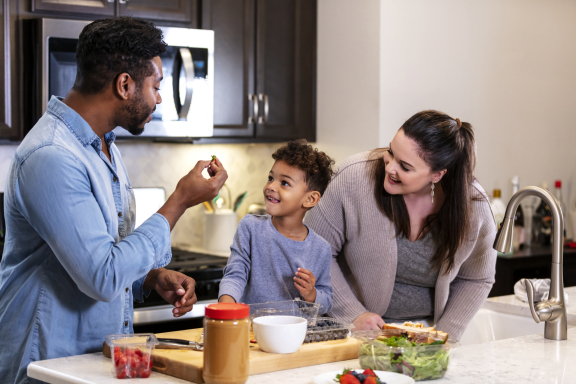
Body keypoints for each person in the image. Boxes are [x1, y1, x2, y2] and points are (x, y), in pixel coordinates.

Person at [0, 17, 227, 384]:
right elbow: (102, 277)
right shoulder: (51, 156)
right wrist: (179, 202)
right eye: (156, 86)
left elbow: (103, 255)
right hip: (44, 366)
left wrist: (149, 278)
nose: (159, 98)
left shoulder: (102, 145)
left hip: (89, 363)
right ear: (124, 85)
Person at [305, 110, 497, 340]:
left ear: (437, 175)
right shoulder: (354, 177)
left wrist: (443, 337)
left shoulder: (473, 206)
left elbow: (476, 277)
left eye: (405, 167)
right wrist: (352, 314)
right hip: (351, 330)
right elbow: (314, 250)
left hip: (426, 335)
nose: (389, 168)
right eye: (391, 153)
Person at [218, 140, 334, 312]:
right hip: (253, 333)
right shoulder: (250, 228)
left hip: (297, 336)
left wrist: (312, 294)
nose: (271, 186)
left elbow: (327, 301)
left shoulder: (321, 248)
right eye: (271, 178)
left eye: (284, 183)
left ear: (310, 199)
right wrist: (225, 307)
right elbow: (235, 274)